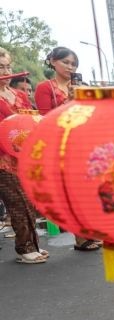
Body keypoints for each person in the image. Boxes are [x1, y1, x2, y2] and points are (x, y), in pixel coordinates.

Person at [35, 46, 102, 252]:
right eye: (65, 62)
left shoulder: (81, 86)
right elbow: (45, 120)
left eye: (73, 64)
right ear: (53, 62)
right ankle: (81, 237)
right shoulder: (45, 88)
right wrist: (69, 100)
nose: (70, 67)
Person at [0, 47, 48, 263]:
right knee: (17, 202)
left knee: (30, 200)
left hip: (23, 156)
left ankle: (33, 244)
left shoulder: (20, 94)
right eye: (0, 67)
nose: (5, 71)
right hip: (2, 159)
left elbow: (30, 120)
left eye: (8, 66)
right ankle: (24, 247)